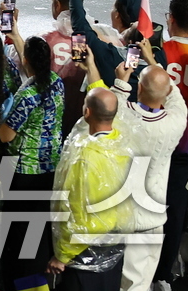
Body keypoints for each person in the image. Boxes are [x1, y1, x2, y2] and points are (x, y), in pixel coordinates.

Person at [46, 87, 130, 291]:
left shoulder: (82, 157)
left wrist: (62, 256)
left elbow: (75, 215)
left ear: (87, 112)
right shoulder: (121, 143)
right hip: (115, 241)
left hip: (85, 250)